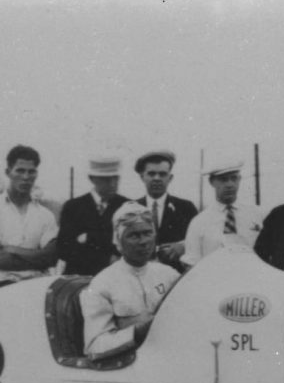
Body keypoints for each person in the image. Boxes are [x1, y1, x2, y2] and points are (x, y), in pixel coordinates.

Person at [79, 204, 181, 360]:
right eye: (134, 235)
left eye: (148, 233)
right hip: (130, 367)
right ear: (118, 241)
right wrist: (139, 331)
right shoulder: (102, 284)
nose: (143, 242)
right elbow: (94, 346)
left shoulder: (169, 275)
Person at [0, 144, 59, 291]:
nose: (26, 177)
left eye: (31, 172)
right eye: (20, 171)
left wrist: (14, 250)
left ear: (36, 174)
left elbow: (51, 259)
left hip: (37, 291)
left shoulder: (46, 215)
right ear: (8, 172)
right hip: (0, 289)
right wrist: (38, 258)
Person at [181, 158, 264, 269]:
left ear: (240, 179)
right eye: (223, 180)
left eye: (234, 178)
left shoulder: (258, 214)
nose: (229, 184)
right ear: (212, 182)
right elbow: (191, 263)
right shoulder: (199, 222)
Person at [57, 155, 130, 276]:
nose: (113, 184)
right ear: (92, 178)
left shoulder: (127, 206)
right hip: (79, 278)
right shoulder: (73, 207)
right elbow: (63, 249)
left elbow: (128, 246)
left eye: (116, 178)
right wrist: (108, 249)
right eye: (106, 179)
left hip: (116, 278)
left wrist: (89, 237)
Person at [133, 149, 198, 271]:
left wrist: (182, 246)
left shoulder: (186, 208)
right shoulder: (131, 208)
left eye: (162, 174)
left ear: (170, 178)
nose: (157, 178)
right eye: (151, 174)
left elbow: (199, 240)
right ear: (142, 177)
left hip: (176, 277)